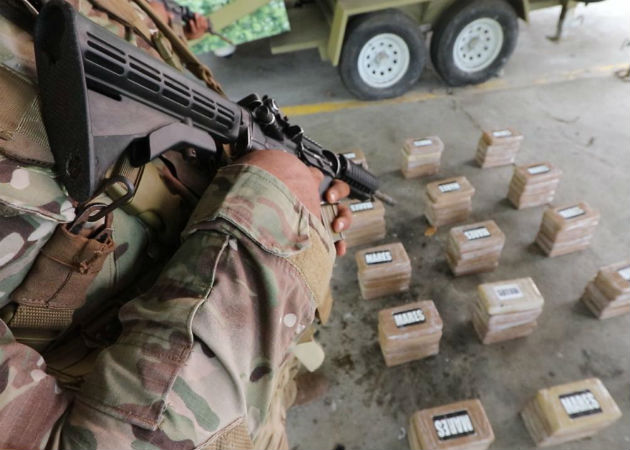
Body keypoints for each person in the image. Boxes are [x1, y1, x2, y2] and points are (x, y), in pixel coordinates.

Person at [0, 1, 351, 448]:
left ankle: (277, 391)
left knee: (271, 384)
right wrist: (268, 222)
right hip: (179, 397)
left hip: (212, 285)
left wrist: (297, 194)